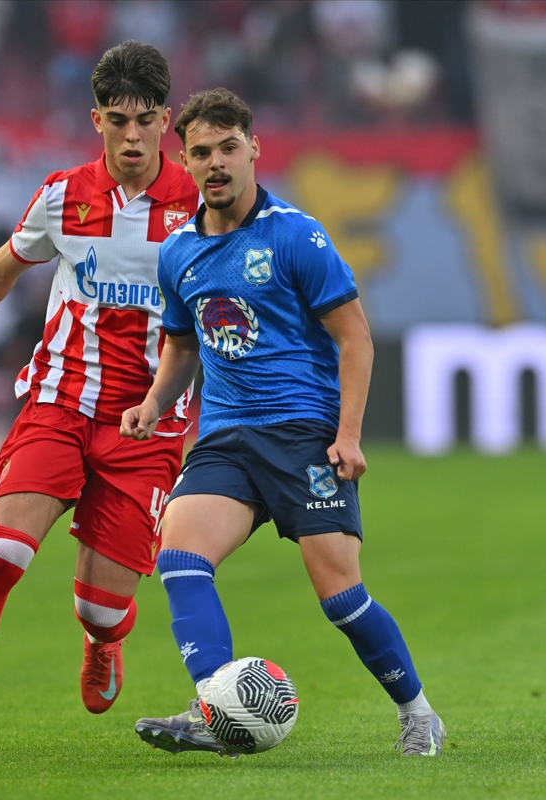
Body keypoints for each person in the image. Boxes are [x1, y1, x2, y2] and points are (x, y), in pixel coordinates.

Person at [0, 40, 199, 754]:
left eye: (146, 120)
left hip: (147, 427)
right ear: (97, 119)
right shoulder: (63, 196)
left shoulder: (202, 207)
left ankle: (103, 639)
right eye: (118, 120)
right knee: (1, 556)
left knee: (102, 608)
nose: (133, 136)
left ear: (166, 120)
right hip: (58, 403)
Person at [120, 88, 445, 757]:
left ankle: (418, 714)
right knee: (179, 558)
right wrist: (154, 403)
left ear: (254, 149)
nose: (216, 163)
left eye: (228, 148)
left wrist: (347, 434)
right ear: (185, 161)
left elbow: (355, 338)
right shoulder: (178, 252)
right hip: (226, 439)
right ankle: (215, 710)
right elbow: (181, 345)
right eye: (201, 153)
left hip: (302, 435)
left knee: (340, 597)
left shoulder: (296, 235)